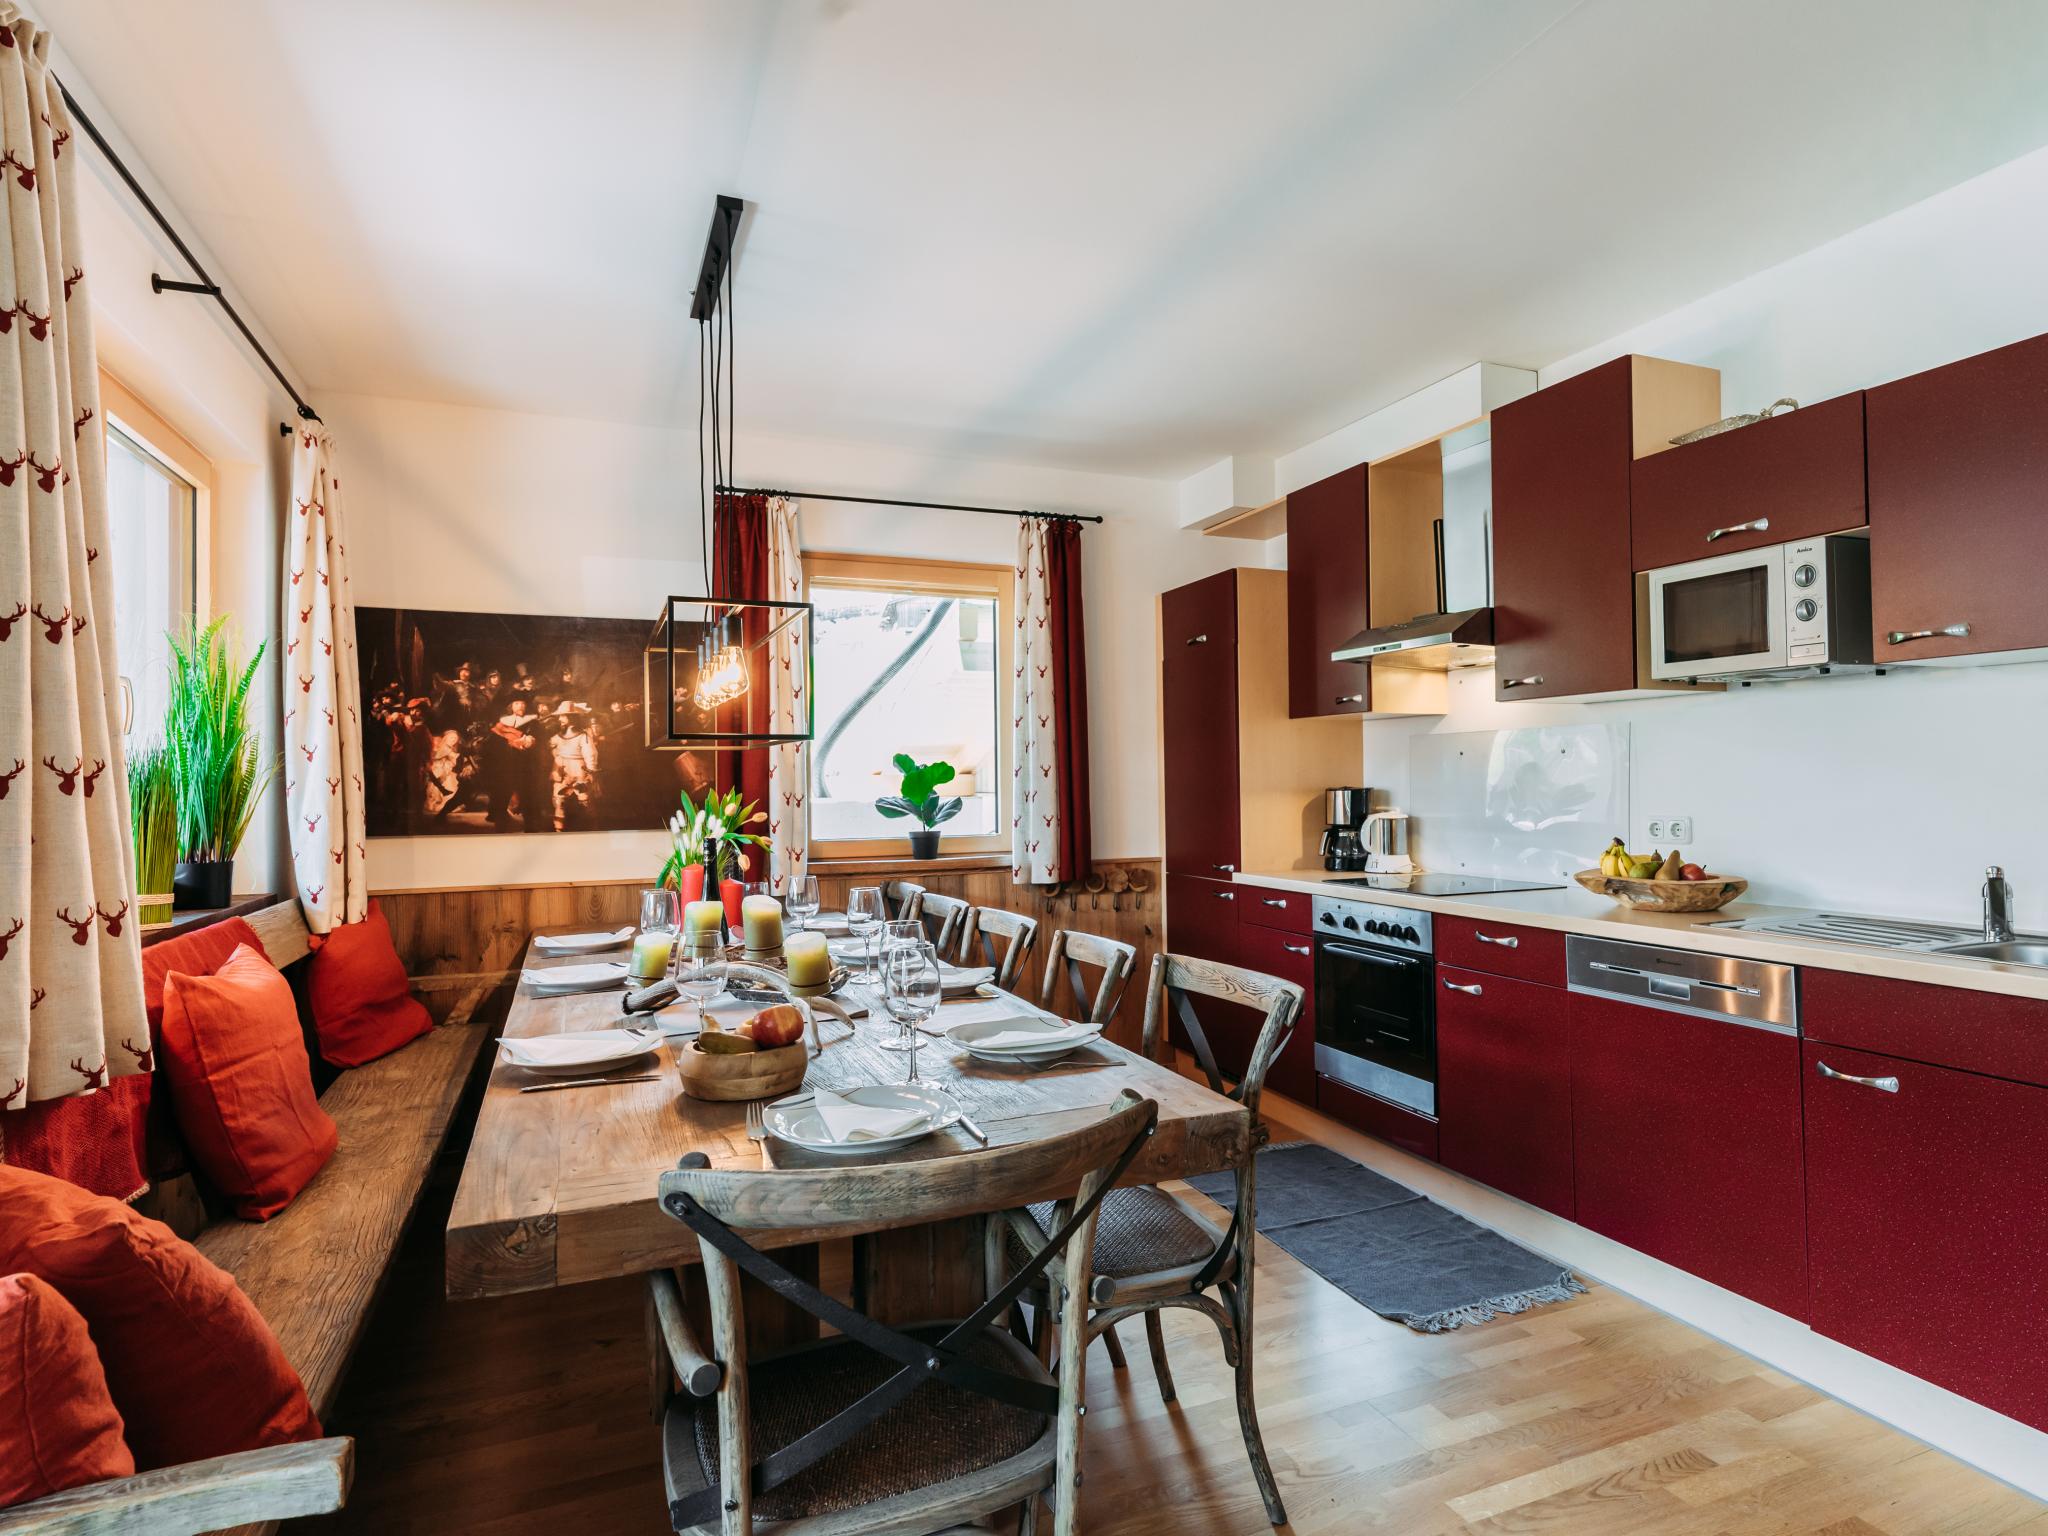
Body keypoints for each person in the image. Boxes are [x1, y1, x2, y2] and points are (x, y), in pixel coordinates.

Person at [549, 703, 599, 831]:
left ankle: (593, 827)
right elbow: (549, 745)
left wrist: (591, 771)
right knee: (559, 800)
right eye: (560, 716)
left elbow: (590, 753)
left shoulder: (583, 735)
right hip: (561, 769)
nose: (560, 719)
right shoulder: (558, 735)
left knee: (584, 800)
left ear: (572, 718)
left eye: (563, 716)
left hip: (579, 769)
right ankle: (558, 830)